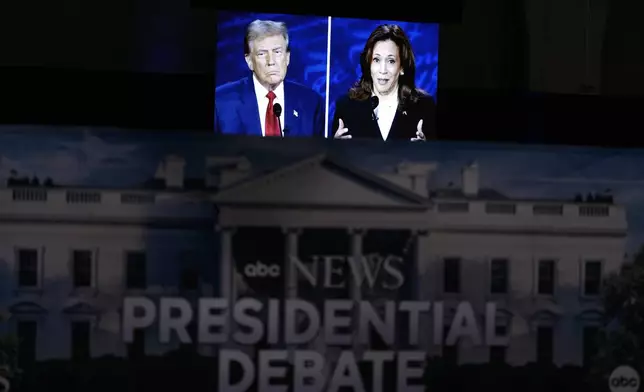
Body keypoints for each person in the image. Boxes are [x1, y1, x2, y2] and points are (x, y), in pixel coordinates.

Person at [215, 20, 325, 137]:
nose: (271, 62)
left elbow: (319, 152)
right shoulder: (221, 102)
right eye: (262, 54)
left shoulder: (311, 102)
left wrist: (333, 146)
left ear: (287, 57)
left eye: (277, 52)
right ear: (249, 61)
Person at [331, 24, 436, 141]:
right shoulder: (347, 106)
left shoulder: (423, 106)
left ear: (401, 67)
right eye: (376, 60)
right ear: (369, 63)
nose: (382, 70)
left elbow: (440, 157)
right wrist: (335, 149)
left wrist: (427, 150)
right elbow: (333, 157)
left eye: (391, 61)